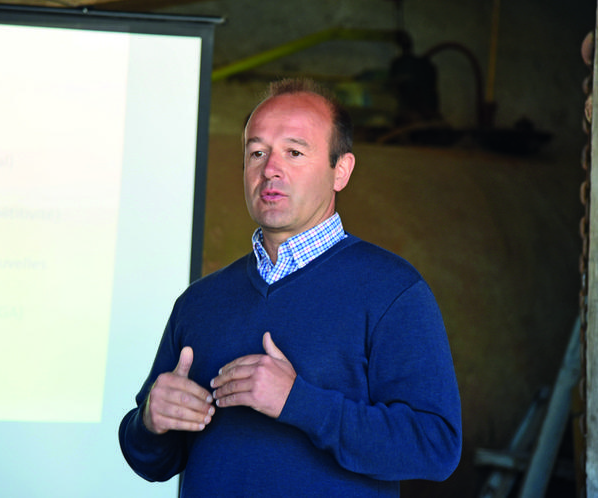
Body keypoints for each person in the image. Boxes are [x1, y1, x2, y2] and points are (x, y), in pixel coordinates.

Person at [118, 78, 462, 496]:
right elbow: (152, 460)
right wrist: (150, 422)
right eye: (257, 153)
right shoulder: (199, 302)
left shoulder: (393, 291)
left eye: (294, 153)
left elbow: (435, 447)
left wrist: (298, 402)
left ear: (341, 171)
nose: (270, 169)